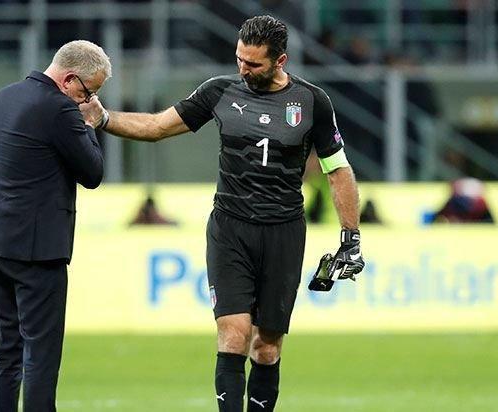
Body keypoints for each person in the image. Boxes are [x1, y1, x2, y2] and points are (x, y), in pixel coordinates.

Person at [81, 16, 365, 411]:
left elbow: (338, 170)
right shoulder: (219, 91)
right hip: (230, 229)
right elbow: (157, 126)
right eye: (239, 59)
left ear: (280, 60)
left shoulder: (311, 101)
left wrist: (351, 237)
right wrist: (104, 118)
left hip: (283, 231)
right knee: (233, 334)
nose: (243, 69)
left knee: (267, 346)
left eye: (254, 64)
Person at [0, 40, 109, 412]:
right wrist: (90, 124)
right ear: (69, 78)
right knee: (41, 355)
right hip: (35, 249)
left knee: (6, 350)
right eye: (87, 91)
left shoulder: (5, 96)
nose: (87, 100)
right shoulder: (59, 108)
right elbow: (92, 173)